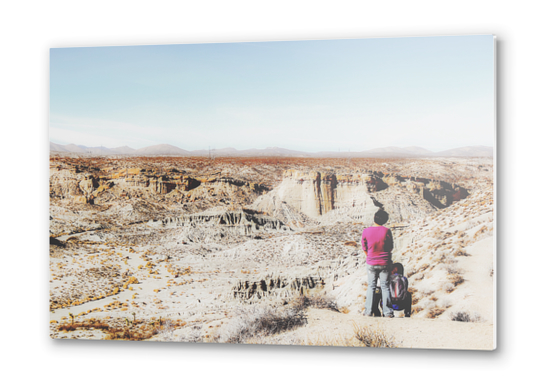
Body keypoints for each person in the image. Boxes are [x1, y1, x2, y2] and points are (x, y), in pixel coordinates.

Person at [361, 209, 394, 318]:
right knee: (385, 287)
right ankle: (388, 312)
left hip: (371, 262)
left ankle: (368, 312)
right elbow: (390, 247)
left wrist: (369, 255)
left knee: (371, 286)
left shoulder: (366, 231)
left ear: (374, 217)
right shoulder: (387, 231)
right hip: (384, 262)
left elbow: (364, 247)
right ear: (385, 220)